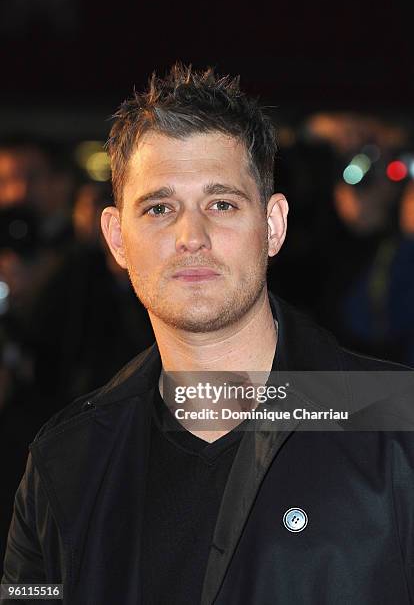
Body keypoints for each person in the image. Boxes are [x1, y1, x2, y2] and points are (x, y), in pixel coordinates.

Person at [2, 63, 414, 605]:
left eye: (221, 204)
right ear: (117, 238)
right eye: (159, 208)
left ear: (273, 225)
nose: (191, 236)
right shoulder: (65, 461)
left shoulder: (397, 423)